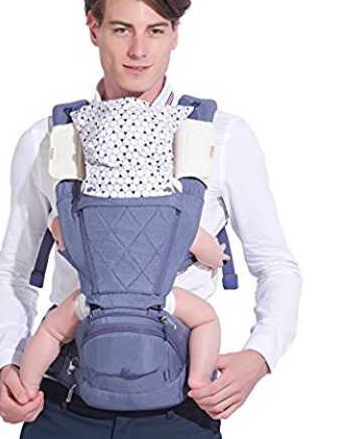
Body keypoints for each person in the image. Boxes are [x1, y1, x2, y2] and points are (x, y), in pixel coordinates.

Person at [0, 0, 302, 439]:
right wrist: (8, 362)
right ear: (93, 27)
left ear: (175, 33)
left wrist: (259, 357)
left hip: (179, 410)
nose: (139, 50)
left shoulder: (221, 137)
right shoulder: (49, 141)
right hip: (63, 404)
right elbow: (15, 269)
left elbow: (276, 265)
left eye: (155, 30)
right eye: (121, 29)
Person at [18, 92, 230, 400]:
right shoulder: (175, 218)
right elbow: (206, 251)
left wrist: (58, 228)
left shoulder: (79, 213)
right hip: (158, 300)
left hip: (93, 300)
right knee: (207, 320)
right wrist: (218, 257)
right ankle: (199, 378)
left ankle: (26, 384)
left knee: (52, 330)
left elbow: (60, 234)